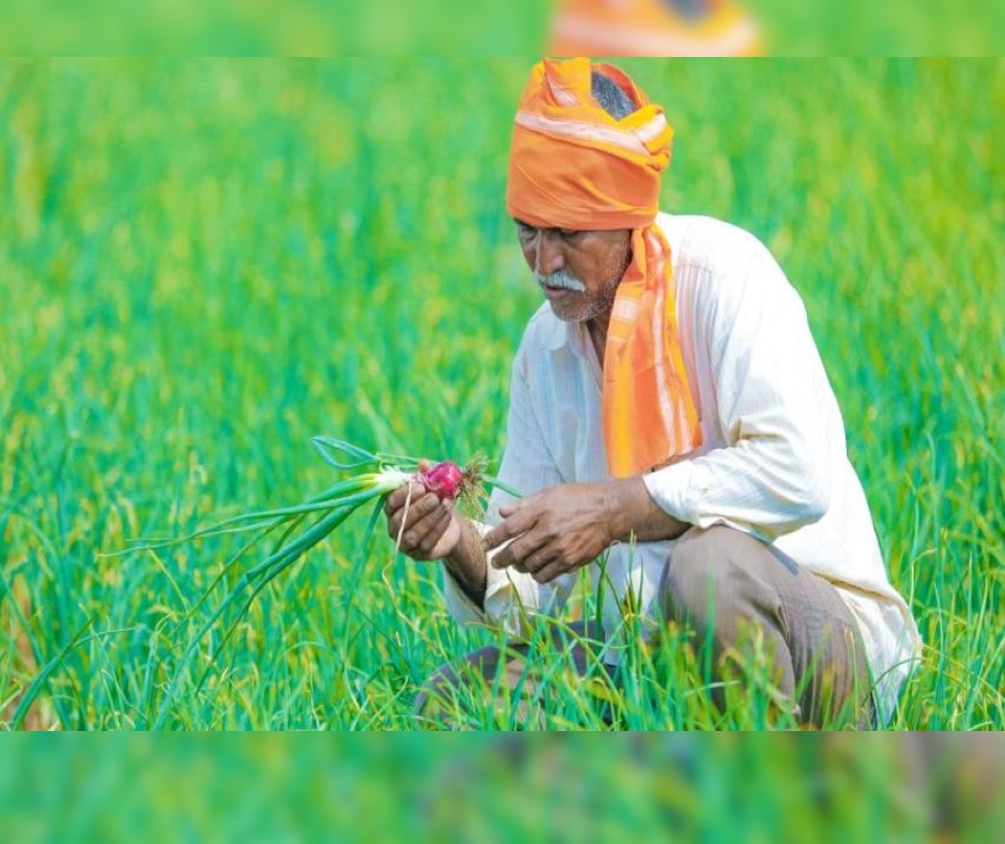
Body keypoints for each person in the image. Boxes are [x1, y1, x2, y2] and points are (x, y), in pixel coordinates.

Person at [385, 58, 921, 728]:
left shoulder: (726, 279)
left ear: (626, 217)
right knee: (457, 700)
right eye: (528, 230)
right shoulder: (545, 348)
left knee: (709, 570)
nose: (544, 263)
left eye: (569, 234)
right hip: (652, 657)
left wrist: (617, 510)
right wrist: (458, 542)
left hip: (821, 659)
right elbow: (527, 583)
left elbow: (799, 475)